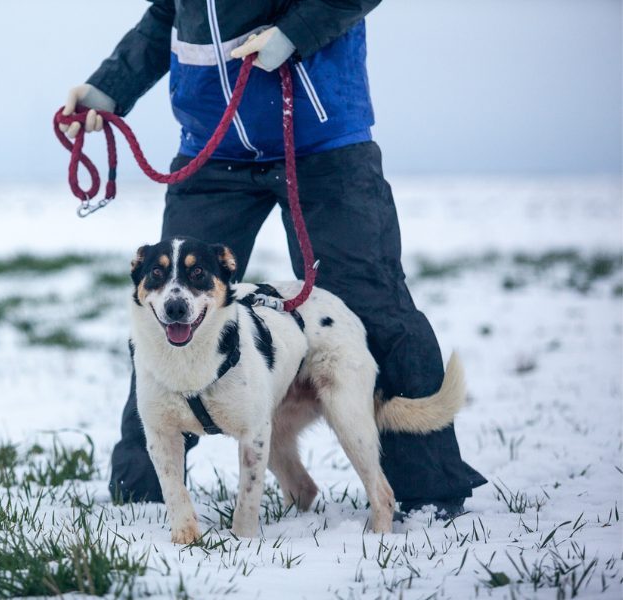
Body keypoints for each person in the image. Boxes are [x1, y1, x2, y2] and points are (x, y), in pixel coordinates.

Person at [60, 0, 486, 517]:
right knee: (171, 313)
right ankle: (144, 494)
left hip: (323, 140)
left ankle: (429, 492)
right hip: (211, 147)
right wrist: (109, 88)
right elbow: (165, 17)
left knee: (372, 303)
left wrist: (294, 32)